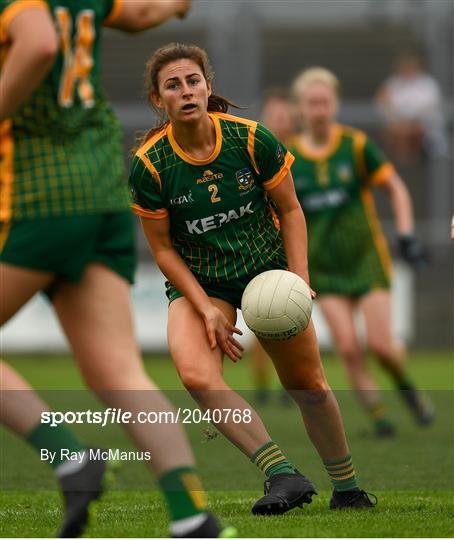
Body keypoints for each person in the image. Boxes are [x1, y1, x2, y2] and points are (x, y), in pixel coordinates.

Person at [0, 2, 235, 538]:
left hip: (41, 196)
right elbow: (138, 12)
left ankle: (68, 457)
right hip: (102, 189)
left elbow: (37, 42)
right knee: (120, 374)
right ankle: (192, 516)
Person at [130, 42, 376, 515]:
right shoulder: (150, 164)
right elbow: (161, 247)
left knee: (309, 385)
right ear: (158, 100)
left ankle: (347, 490)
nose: (186, 91)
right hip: (204, 280)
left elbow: (291, 208)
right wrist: (203, 306)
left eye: (193, 81)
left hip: (267, 271)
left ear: (208, 86)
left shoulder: (250, 138)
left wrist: (299, 280)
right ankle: (282, 474)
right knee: (196, 374)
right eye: (173, 85)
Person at [288, 66, 433, 437]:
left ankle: (408, 390)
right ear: (300, 107)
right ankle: (380, 416)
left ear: (335, 103)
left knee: (382, 346)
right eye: (312, 102)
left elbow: (396, 189)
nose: (319, 109)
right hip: (323, 266)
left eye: (325, 101)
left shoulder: (354, 145)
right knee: (350, 349)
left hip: (365, 258)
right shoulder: (288, 155)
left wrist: (405, 234)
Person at [249, 88, 297, 406]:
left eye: (284, 115)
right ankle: (264, 389)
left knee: (294, 318)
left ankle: (290, 385)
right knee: (260, 321)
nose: (278, 121)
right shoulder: (253, 155)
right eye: (273, 115)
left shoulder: (300, 157)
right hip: (263, 250)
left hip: (294, 248)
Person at [375, 53, 447, 163]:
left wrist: (411, 122)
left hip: (422, 126)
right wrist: (399, 121)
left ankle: (412, 159)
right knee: (396, 132)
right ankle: (401, 161)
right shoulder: (392, 83)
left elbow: (430, 108)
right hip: (398, 125)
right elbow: (383, 102)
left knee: (412, 131)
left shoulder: (428, 84)